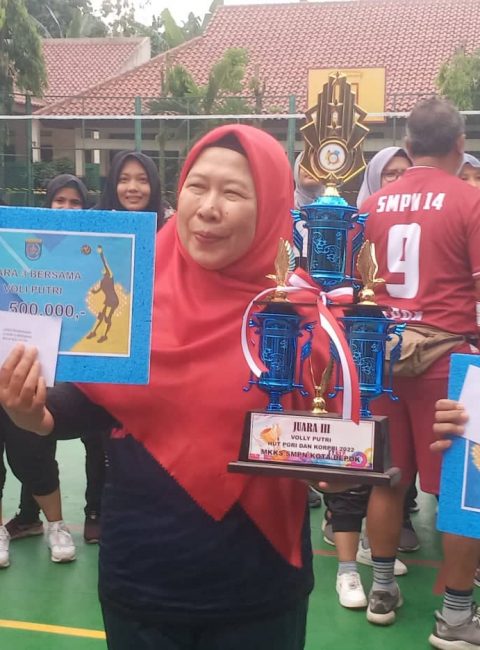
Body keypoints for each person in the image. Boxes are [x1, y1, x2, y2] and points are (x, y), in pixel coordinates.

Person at [0, 125, 348, 649]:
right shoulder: (137, 292)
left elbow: (335, 446)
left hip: (257, 587)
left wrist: (338, 475)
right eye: (197, 187)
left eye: (233, 193)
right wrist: (35, 413)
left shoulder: (300, 317)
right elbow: (93, 401)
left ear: (273, 207)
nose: (208, 208)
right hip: (142, 579)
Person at [359, 98, 480, 647]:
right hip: (448, 362)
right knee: (460, 489)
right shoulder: (469, 201)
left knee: (388, 477)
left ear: (408, 147)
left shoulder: (373, 205)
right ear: (460, 145)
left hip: (383, 356)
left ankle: (382, 590)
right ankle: (454, 617)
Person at [322, 147, 413, 609]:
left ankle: (373, 553)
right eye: (388, 173)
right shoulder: (356, 225)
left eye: (403, 172)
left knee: (387, 469)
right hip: (347, 347)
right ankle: (346, 569)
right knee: (348, 455)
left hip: (390, 356)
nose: (397, 180)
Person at [5, 174, 105, 548]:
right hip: (37, 356)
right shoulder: (26, 243)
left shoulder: (99, 247)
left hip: (84, 360)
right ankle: (29, 515)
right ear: (47, 204)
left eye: (75, 202)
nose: (66, 208)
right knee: (33, 436)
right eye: (59, 201)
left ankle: (93, 513)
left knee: (95, 441)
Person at [96, 150, 165, 229]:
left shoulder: (172, 226)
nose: (132, 188)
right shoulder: (91, 224)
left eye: (142, 179)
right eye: (124, 179)